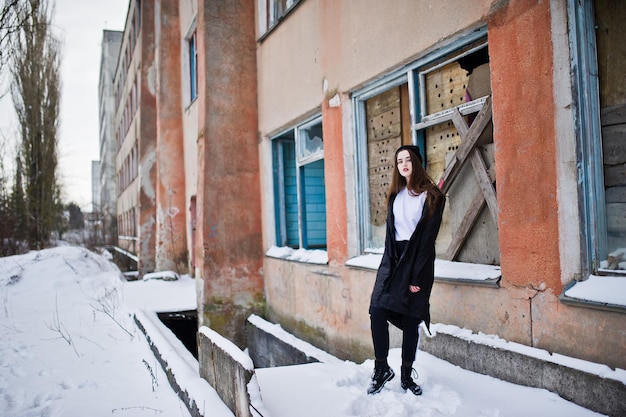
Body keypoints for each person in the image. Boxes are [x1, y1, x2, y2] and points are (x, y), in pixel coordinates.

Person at [367, 144, 445, 395]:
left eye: (408, 159)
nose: (403, 164)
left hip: (416, 262)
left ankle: (406, 375)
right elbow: (391, 237)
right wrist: (387, 268)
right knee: (377, 311)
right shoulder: (395, 196)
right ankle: (381, 369)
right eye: (399, 160)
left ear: (417, 162)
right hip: (392, 261)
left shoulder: (432, 196)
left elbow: (425, 243)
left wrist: (416, 277)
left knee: (411, 321)